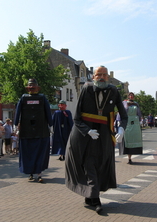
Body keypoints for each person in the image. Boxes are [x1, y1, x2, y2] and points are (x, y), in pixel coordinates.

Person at [65, 66, 128, 214]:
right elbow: (77, 118)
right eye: (98, 74)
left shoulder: (113, 91)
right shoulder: (86, 89)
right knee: (89, 163)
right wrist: (87, 131)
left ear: (108, 77)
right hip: (84, 135)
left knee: (101, 163)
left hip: (104, 134)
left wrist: (121, 129)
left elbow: (123, 116)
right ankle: (96, 199)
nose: (101, 77)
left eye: (104, 75)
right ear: (93, 77)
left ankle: (90, 195)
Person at [14, 78, 53, 183]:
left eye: (33, 86)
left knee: (40, 154)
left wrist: (51, 125)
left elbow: (48, 112)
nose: (32, 88)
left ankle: (39, 173)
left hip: (41, 132)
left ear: (37, 88)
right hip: (26, 132)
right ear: (28, 88)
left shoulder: (42, 98)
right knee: (28, 154)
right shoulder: (23, 98)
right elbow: (17, 112)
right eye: (30, 86)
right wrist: (15, 125)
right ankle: (30, 173)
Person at [117, 92, 142, 164]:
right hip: (127, 122)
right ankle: (128, 157)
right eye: (130, 95)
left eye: (132, 95)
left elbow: (139, 113)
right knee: (127, 139)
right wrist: (119, 120)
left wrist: (140, 120)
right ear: (128, 96)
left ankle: (130, 157)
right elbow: (120, 111)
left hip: (135, 123)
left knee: (134, 139)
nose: (131, 96)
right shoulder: (124, 103)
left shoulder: (136, 104)